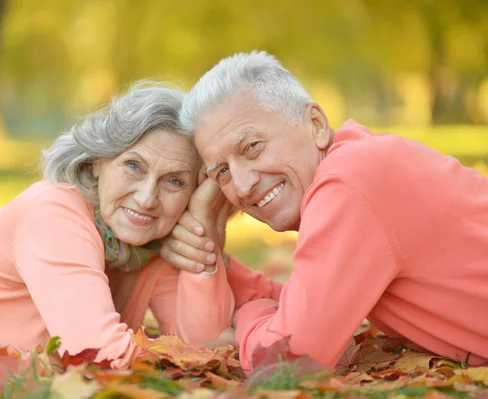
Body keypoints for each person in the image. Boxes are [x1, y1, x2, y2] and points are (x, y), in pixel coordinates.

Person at [161, 51, 488, 374]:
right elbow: (311, 304)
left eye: (252, 147)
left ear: (315, 125)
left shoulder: (349, 182)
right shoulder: (357, 166)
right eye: (222, 172)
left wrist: (252, 315)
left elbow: (290, 359)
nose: (242, 186)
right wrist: (217, 257)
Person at [0, 82, 234, 368]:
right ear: (98, 161)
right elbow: (100, 355)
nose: (146, 198)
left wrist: (205, 222)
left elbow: (205, 344)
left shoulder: (150, 241)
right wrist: (194, 353)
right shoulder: (54, 214)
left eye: (174, 181)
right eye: (133, 166)